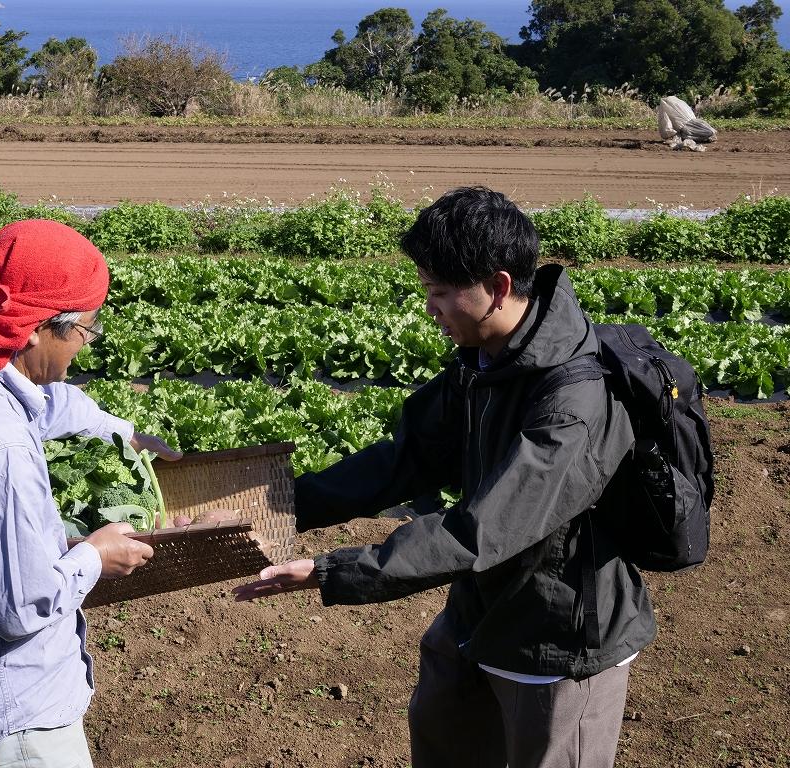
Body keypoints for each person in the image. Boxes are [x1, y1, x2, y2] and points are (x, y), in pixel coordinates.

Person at [233, 187, 656, 768]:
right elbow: (406, 459)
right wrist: (277, 508)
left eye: (439, 293)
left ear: (499, 287)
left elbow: (480, 531)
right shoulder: (485, 359)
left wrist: (332, 570)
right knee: (442, 734)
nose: (428, 308)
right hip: (479, 613)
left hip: (558, 637)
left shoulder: (574, 403)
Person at [0, 219, 182, 768]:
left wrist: (121, 431)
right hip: (14, 720)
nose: (84, 350)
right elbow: (19, 608)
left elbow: (43, 406)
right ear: (34, 330)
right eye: (84, 332)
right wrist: (94, 556)